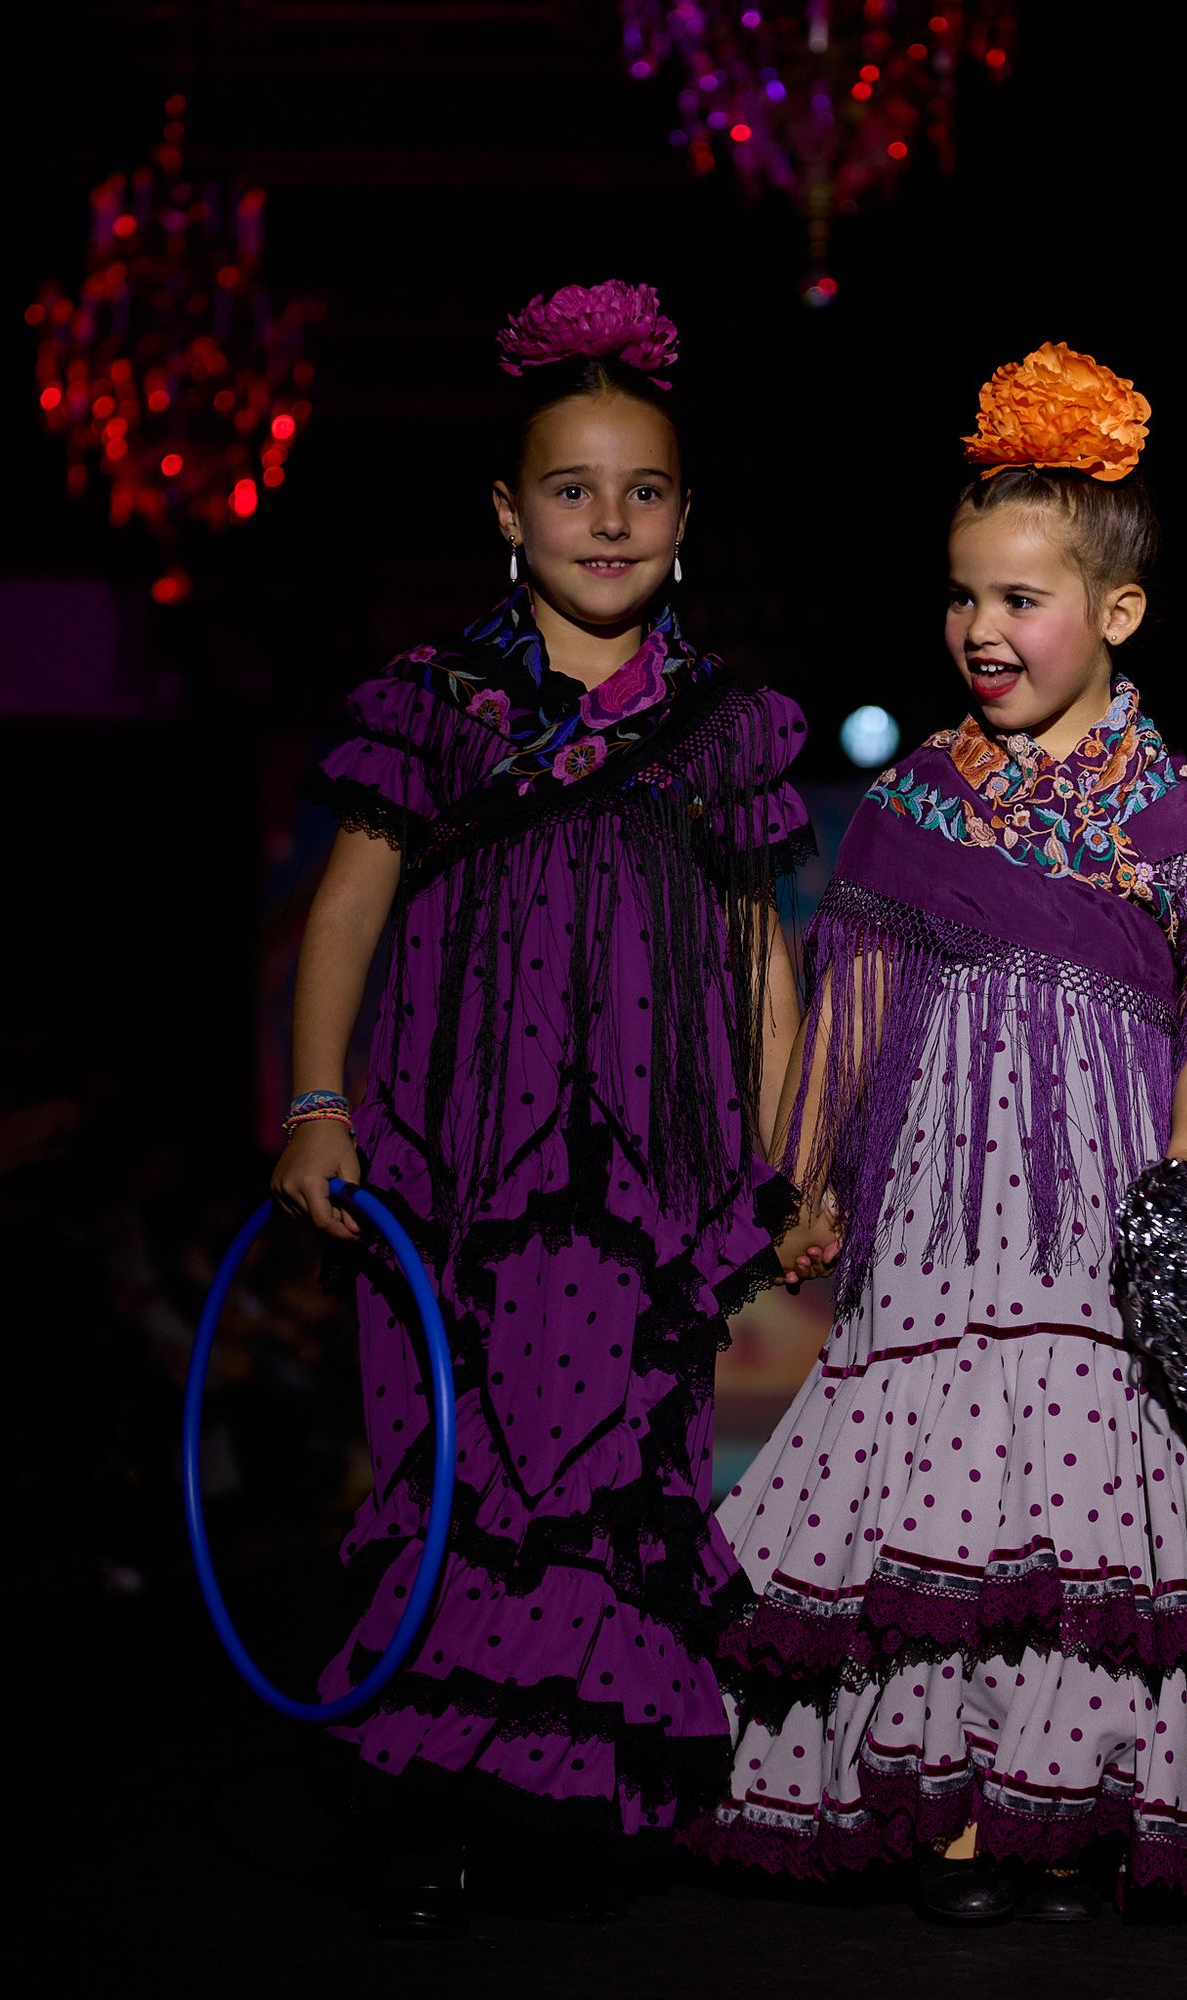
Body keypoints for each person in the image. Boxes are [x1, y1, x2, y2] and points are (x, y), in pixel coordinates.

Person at [688, 341, 1187, 1919]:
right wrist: (808, 1180)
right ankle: (950, 1815)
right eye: (962, 598)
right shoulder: (911, 802)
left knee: (1074, 1507)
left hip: (1096, 1216)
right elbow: (852, 1004)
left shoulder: (1178, 813)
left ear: (1117, 614)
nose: (981, 631)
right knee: (947, 1501)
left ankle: (1065, 1812)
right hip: (943, 1216)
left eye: (1021, 601)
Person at [271, 281, 827, 1931]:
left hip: (647, 1171)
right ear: (510, 513)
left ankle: (568, 1798)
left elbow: (761, 959)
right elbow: (347, 911)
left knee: (610, 1474)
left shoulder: (722, 726)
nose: (609, 519)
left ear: (682, 514)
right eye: (573, 489)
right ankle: (432, 1790)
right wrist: (316, 1105)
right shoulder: (439, 700)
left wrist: (787, 1159)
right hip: (455, 1158)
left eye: (642, 490)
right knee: (457, 1462)